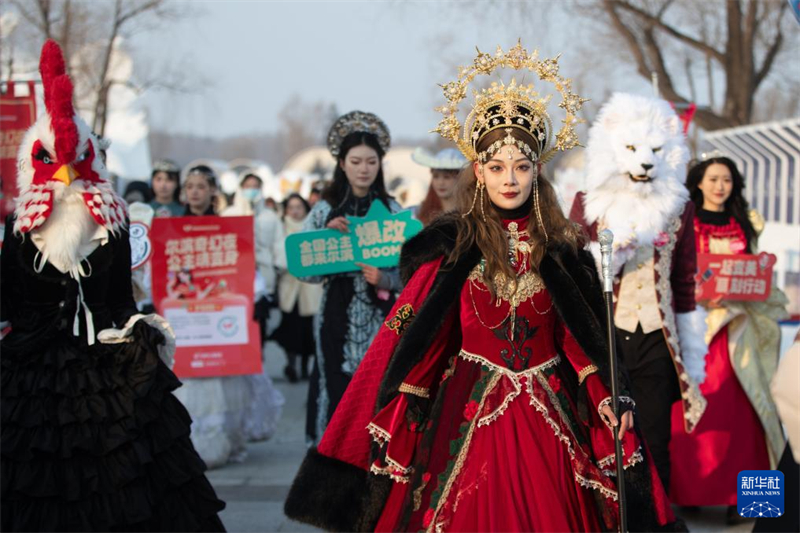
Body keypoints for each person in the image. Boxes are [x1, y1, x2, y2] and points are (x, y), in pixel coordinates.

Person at [285, 43, 676, 532]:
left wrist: (609, 397)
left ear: (537, 171)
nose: (509, 179)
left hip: (549, 409)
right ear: (479, 172)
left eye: (521, 166)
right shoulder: (451, 247)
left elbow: (583, 337)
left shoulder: (562, 250)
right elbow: (416, 326)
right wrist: (403, 387)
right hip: (464, 406)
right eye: (496, 167)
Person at [0, 40, 225, 531]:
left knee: (126, 475)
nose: (65, 175)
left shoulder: (113, 222)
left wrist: (135, 330)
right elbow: (9, 301)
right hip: (31, 376)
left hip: (103, 367)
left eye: (76, 160)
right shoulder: (18, 227)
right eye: (52, 161)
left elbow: (121, 299)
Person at [569, 92, 707, 495]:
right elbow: (574, 274)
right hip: (605, 336)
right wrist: (610, 255)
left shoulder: (679, 210)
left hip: (656, 337)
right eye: (632, 149)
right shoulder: (588, 204)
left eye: (655, 150)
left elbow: (684, 282)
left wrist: (692, 352)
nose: (645, 161)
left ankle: (657, 517)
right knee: (602, 438)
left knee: (655, 439)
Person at [669, 155, 788, 521]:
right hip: (697, 329)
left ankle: (751, 501)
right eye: (713, 179)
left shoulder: (747, 222)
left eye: (727, 179)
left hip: (739, 329)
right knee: (695, 412)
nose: (720, 186)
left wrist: (758, 276)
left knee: (748, 412)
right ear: (698, 183)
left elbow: (753, 270)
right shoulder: (681, 221)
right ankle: (688, 493)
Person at [302, 110, 403, 445]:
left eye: (371, 162)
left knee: (379, 388)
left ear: (380, 165)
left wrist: (386, 279)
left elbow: (414, 270)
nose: (364, 169)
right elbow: (305, 270)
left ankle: (376, 458)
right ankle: (331, 457)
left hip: (382, 316)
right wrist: (326, 240)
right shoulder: (322, 211)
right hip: (335, 314)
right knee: (335, 386)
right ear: (342, 164)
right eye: (356, 161)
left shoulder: (393, 211)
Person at [221, 171, 285, 443]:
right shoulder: (229, 214)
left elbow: (279, 246)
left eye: (255, 186)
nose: (251, 190)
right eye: (247, 186)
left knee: (257, 345)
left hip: (261, 287)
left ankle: (257, 406)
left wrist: (277, 269)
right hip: (233, 287)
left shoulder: (270, 217)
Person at [272, 193, 323, 382]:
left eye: (298, 207)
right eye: (291, 207)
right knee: (290, 327)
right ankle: (291, 364)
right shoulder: (280, 228)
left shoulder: (313, 227)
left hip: (310, 287)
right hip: (288, 286)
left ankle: (304, 366)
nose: (294, 211)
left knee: (307, 330)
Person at [411, 147, 465, 225]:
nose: (440, 183)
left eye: (447, 177)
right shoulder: (417, 212)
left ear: (460, 179)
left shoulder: (469, 212)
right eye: (436, 176)